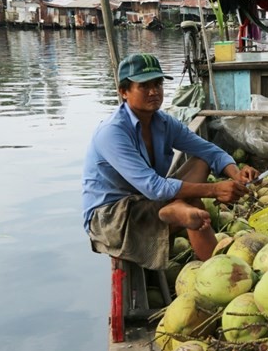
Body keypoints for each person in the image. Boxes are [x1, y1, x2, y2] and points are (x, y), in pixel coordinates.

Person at [81, 53, 258, 270]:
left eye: (158, 84)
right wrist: (214, 189)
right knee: (193, 204)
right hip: (111, 216)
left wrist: (235, 173)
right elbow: (155, 187)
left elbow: (210, 151)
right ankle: (220, 270)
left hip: (146, 198)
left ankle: (173, 209)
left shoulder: (163, 123)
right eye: (144, 86)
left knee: (201, 160)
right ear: (124, 92)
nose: (154, 91)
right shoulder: (112, 132)